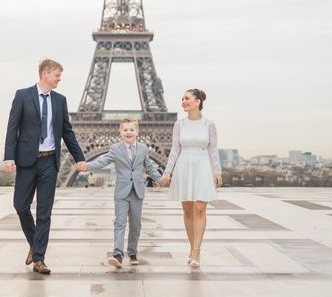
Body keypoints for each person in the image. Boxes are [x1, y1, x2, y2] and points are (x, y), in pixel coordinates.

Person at [3, 58, 85, 274]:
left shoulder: (60, 100)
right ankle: (34, 243)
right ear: (45, 74)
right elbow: (12, 128)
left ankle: (39, 257)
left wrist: (79, 157)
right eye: (57, 75)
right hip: (27, 160)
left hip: (49, 160)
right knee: (20, 206)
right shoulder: (23, 95)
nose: (59, 79)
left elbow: (67, 131)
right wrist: (8, 157)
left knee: (44, 212)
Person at [76, 117, 162, 268]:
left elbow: (149, 167)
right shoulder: (116, 149)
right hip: (122, 192)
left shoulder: (143, 148)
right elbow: (102, 161)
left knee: (135, 225)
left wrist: (160, 179)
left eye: (131, 129)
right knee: (120, 223)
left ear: (137, 132)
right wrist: (87, 166)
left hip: (137, 192)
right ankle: (118, 254)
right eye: (125, 130)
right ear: (120, 132)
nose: (128, 132)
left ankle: (132, 252)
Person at [160, 89, 222, 268]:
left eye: (187, 98)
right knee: (187, 211)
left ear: (197, 102)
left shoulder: (209, 124)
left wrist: (217, 172)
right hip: (184, 166)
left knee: (200, 208)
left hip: (203, 166)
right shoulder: (179, 125)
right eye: (182, 99)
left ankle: (196, 251)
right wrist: (168, 171)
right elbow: (174, 150)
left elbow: (213, 149)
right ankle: (192, 246)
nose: (183, 101)